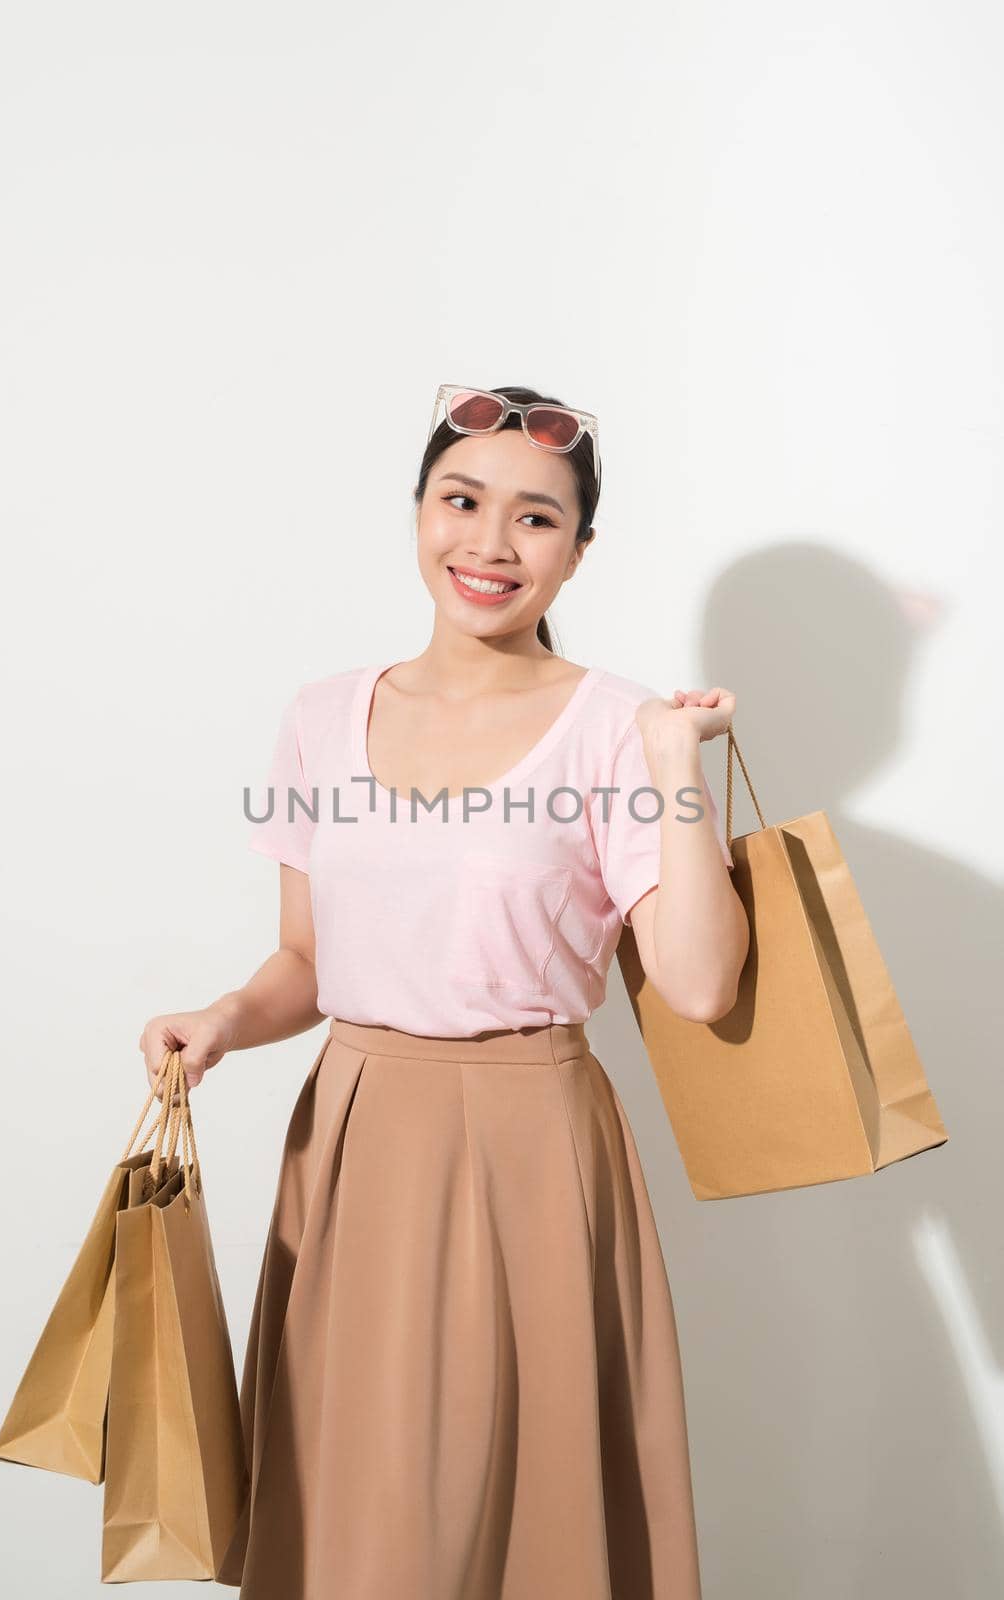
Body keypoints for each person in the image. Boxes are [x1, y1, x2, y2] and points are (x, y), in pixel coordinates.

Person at [139, 383, 750, 1600]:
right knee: (358, 1513)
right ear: (418, 510)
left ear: (579, 552)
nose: (488, 543)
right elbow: (308, 964)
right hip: (355, 1145)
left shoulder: (621, 726)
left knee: (519, 1517)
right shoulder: (323, 715)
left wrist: (680, 772)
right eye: (462, 500)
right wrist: (221, 1022)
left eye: (535, 518)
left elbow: (698, 980)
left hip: (530, 1147)